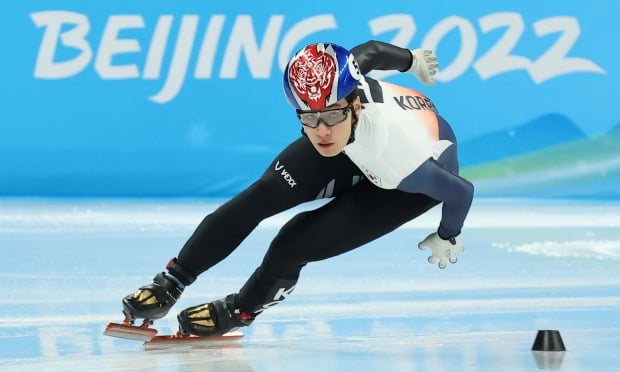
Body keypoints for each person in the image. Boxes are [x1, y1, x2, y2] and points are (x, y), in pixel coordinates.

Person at [121, 40, 474, 337]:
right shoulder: (335, 95)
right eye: (307, 116)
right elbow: (370, 52)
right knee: (258, 199)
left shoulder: (401, 156)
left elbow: (460, 191)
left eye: (331, 115)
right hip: (354, 142)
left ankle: (240, 310)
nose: (320, 130)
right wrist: (410, 59)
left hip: (406, 181)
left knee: (293, 243)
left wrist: (447, 234)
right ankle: (171, 282)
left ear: (355, 103)